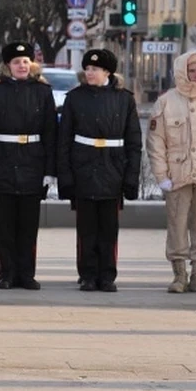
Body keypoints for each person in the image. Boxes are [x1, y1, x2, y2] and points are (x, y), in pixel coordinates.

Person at [58, 50, 142, 292]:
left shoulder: (124, 99)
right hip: (83, 167)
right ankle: (87, 274)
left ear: (107, 72)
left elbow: (134, 142)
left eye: (95, 69)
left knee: (108, 228)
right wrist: (66, 176)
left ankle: (107, 275)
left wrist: (130, 177)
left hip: (112, 168)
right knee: (86, 229)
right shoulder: (75, 98)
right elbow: (64, 140)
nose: (90, 72)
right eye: (87, 68)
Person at [0, 42, 57, 290]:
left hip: (32, 161)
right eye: (16, 62)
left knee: (28, 225)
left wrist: (49, 171)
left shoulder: (43, 92)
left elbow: (51, 133)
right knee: (4, 225)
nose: (22, 66)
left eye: (25, 61)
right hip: (3, 161)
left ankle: (26, 273)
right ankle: (6, 273)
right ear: (7, 66)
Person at [147, 51, 196, 293]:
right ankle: (179, 275)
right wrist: (161, 176)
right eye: (191, 70)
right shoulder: (166, 102)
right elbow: (156, 143)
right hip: (177, 177)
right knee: (177, 224)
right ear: (181, 72)